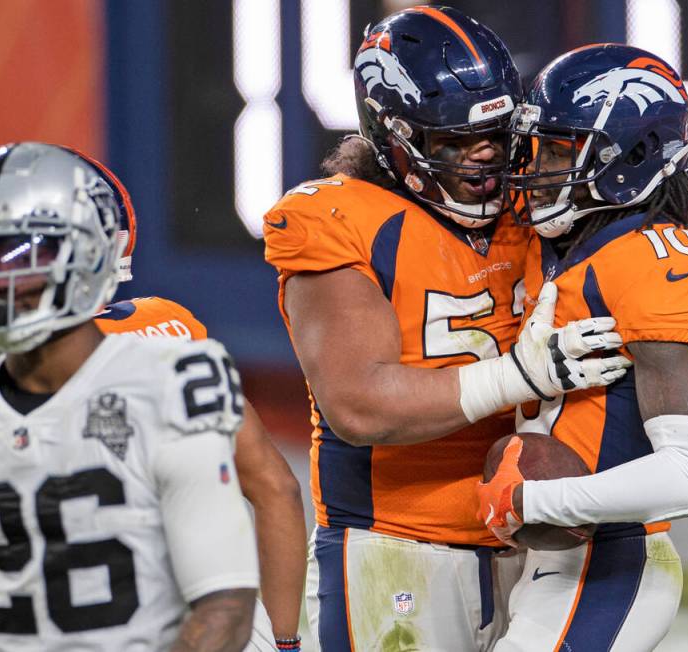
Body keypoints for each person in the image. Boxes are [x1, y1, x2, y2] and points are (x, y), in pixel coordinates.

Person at [262, 7, 633, 650]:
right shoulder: (336, 219)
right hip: (400, 541)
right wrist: (518, 376)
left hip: (549, 532)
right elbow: (359, 405)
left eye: (496, 134)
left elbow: (651, 255)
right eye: (453, 141)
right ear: (396, 137)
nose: (484, 157)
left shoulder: (540, 196)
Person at [0, 147, 307, 651]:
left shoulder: (5, 370)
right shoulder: (170, 328)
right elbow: (276, 489)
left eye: (10, 254)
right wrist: (283, 643)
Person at [477, 44, 688, 650]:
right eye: (537, 150)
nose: (538, 171)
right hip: (549, 561)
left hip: (607, 562)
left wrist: (534, 498)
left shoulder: (648, 255)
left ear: (634, 157)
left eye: (562, 151)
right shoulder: (575, 239)